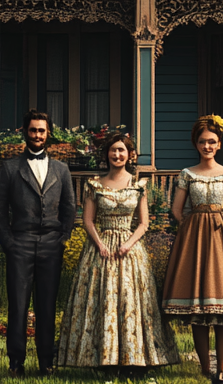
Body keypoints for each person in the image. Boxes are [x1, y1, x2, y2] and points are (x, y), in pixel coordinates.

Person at [58, 132, 178, 370]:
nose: (117, 154)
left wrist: (128, 244)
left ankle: (134, 358)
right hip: (101, 248)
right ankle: (102, 358)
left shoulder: (138, 185)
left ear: (130, 154)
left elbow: (144, 223)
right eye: (113, 150)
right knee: (102, 300)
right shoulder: (95, 184)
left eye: (122, 150)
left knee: (130, 301)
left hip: (129, 249)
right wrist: (100, 244)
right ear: (107, 155)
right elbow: (88, 221)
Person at [161, 115, 223, 384]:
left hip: (222, 236)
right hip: (195, 238)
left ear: (219, 145)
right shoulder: (187, 174)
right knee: (198, 304)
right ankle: (205, 367)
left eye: (212, 142)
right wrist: (190, 228)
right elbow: (176, 209)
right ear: (196, 144)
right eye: (203, 142)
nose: (207, 146)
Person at [0, 109, 77, 376]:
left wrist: (62, 239)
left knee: (47, 306)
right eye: (32, 130)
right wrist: (9, 243)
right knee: (18, 305)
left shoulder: (62, 170)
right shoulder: (10, 168)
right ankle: (16, 362)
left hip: (52, 245)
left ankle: (46, 361)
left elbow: (69, 208)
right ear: (24, 132)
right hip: (20, 243)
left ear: (48, 132)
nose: (37, 135)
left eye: (41, 130)